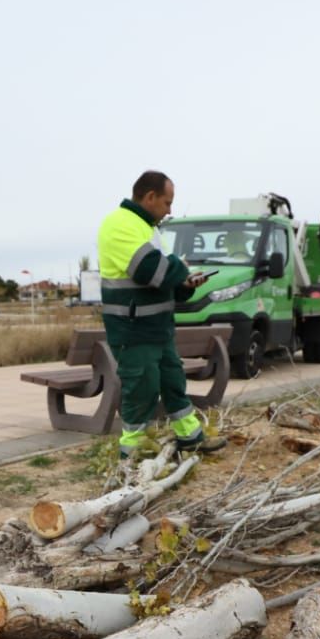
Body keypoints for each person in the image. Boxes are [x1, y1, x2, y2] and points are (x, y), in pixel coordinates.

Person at [97, 171, 227, 459]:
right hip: (133, 330)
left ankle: (190, 437)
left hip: (157, 329)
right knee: (140, 391)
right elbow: (149, 269)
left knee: (173, 384)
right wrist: (178, 269)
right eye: (167, 203)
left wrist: (184, 285)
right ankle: (132, 453)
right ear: (150, 197)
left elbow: (162, 278)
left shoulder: (147, 227)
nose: (170, 210)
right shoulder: (120, 224)